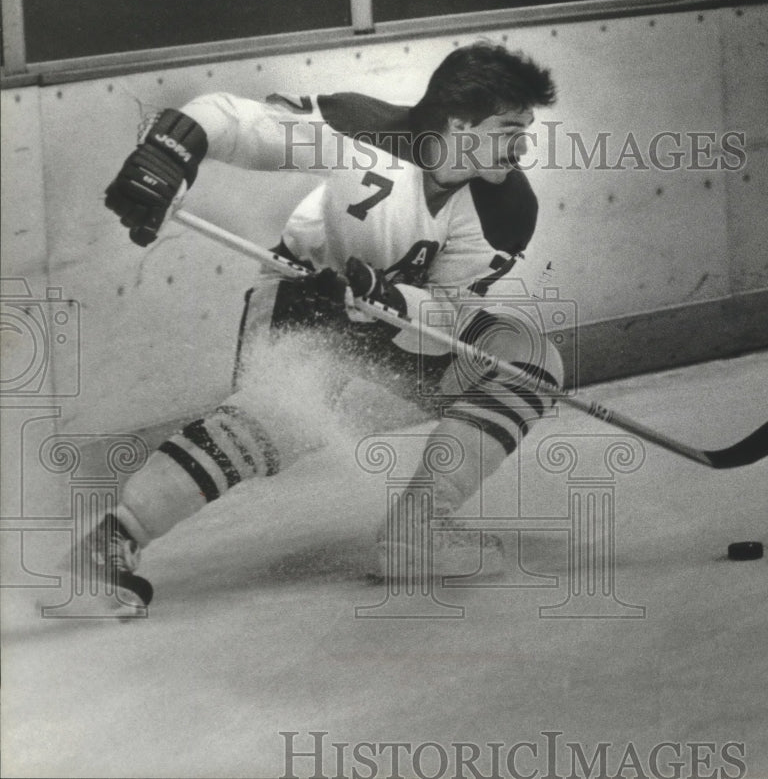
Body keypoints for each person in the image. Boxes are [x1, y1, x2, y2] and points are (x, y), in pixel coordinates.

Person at [89, 41, 563, 614]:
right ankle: (112, 542)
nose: (523, 145)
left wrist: (396, 301)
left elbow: (457, 319)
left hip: (398, 322)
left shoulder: (508, 207)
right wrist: (170, 151)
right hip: (304, 298)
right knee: (280, 419)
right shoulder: (361, 129)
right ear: (462, 123)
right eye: (511, 128)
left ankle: (418, 530)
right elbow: (235, 122)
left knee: (528, 361)